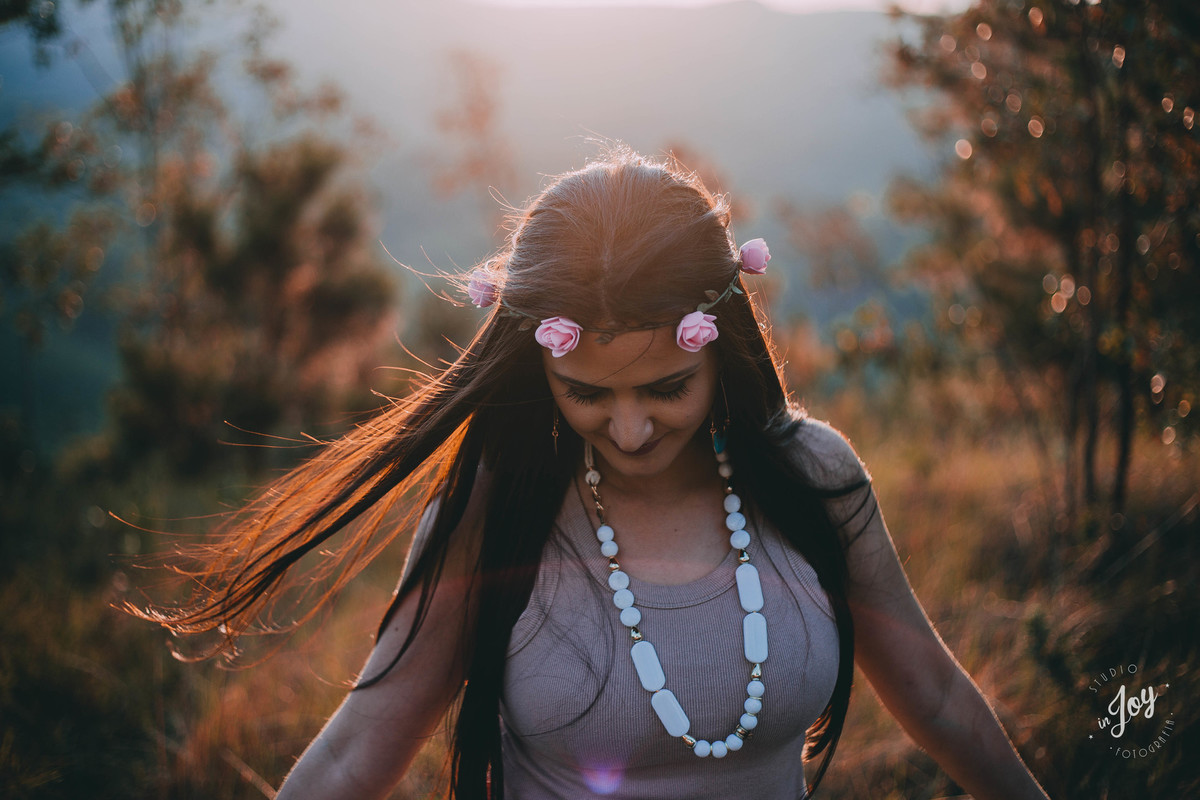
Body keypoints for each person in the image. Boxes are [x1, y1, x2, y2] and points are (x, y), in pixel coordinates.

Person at [137, 147, 1051, 799]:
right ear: (539, 366)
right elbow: (356, 754)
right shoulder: (493, 515)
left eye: (666, 387)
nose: (629, 426)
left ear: (719, 348)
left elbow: (933, 694)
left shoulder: (814, 478)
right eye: (586, 393)